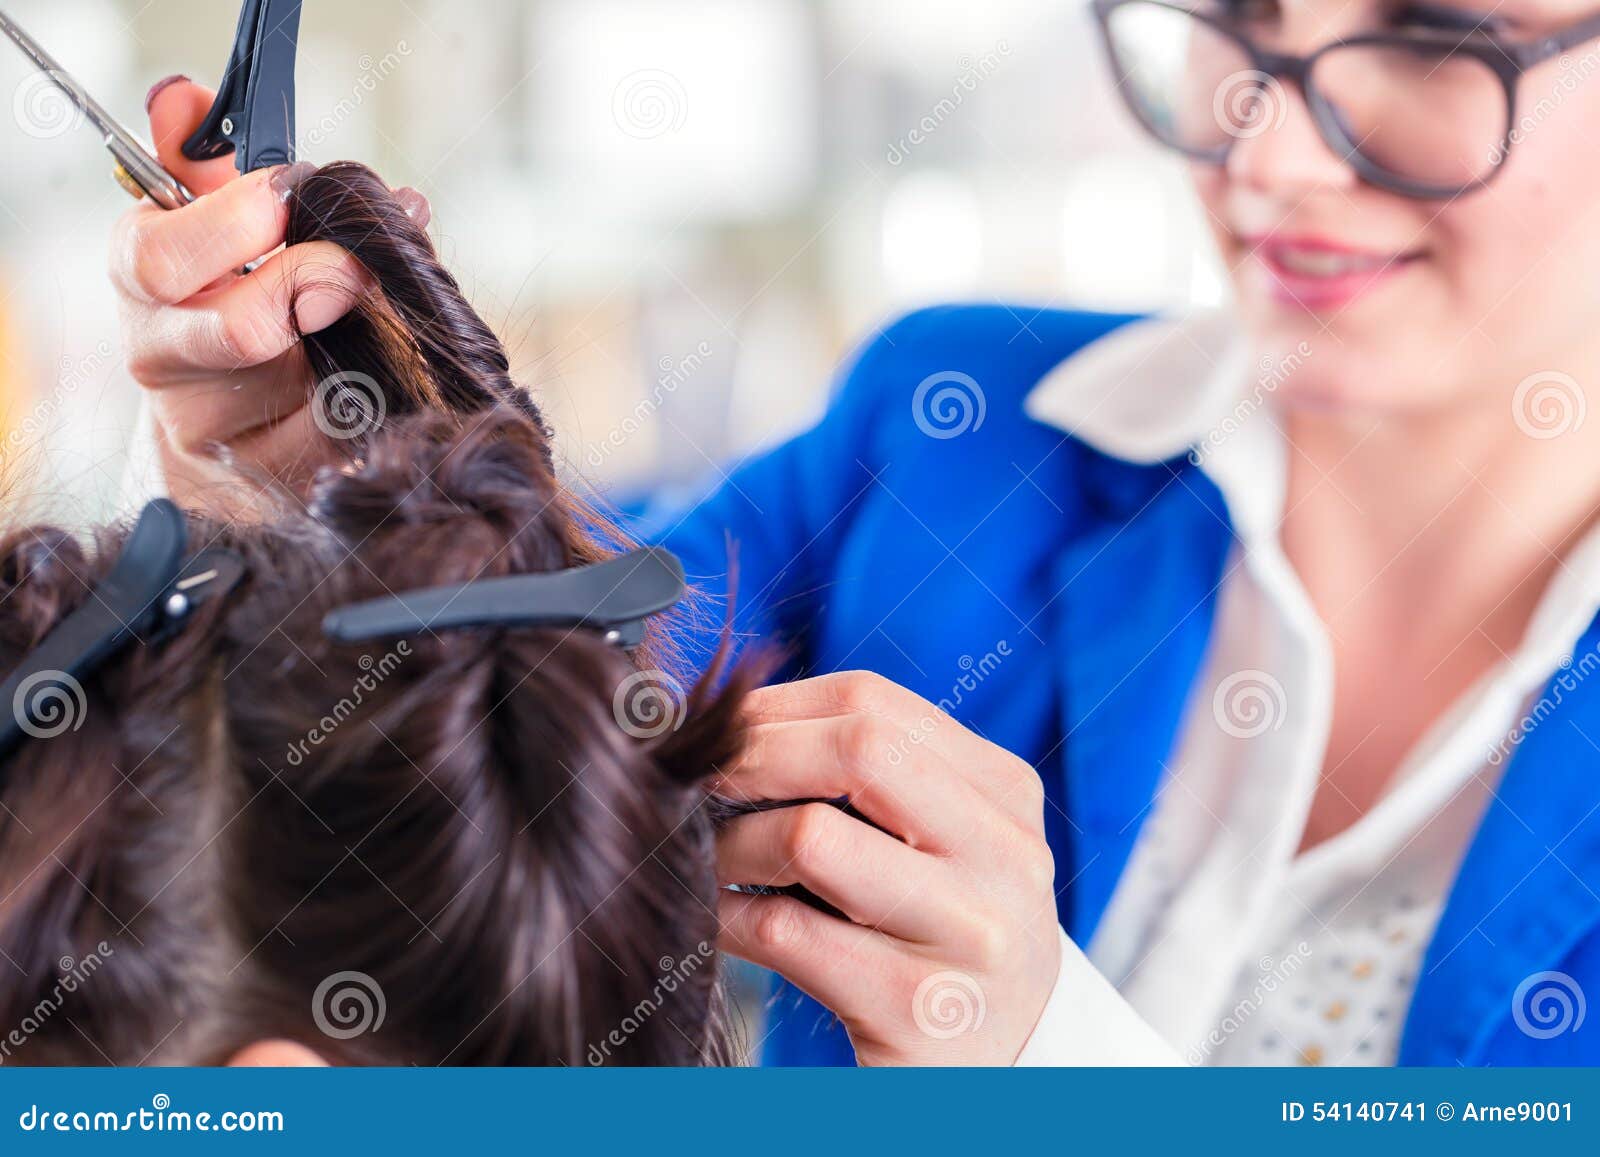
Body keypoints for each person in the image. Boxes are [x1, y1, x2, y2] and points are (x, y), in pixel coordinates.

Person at [112, 0, 1600, 1067]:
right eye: (1234, 12)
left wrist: (1050, 1063)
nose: (1265, 157)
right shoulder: (950, 434)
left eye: (1429, 34)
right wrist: (312, 495)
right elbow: (517, 672)